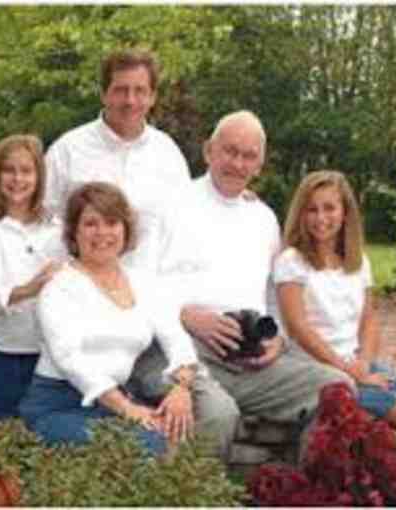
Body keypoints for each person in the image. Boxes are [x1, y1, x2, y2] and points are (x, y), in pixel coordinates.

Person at [137, 110, 353, 461]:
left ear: (259, 166)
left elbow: (273, 296)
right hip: (178, 351)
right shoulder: (169, 206)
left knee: (337, 389)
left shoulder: (262, 218)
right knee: (218, 414)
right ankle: (191, 490)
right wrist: (186, 316)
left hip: (248, 358)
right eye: (230, 151)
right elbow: (136, 284)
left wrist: (276, 338)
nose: (238, 164)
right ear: (209, 151)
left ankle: (303, 485)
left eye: (248, 156)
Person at [19, 182, 201, 456]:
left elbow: (176, 340)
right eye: (91, 224)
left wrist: (181, 388)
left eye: (112, 222)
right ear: (74, 232)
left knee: (174, 433)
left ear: (125, 229)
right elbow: (69, 359)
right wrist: (128, 409)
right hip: (59, 405)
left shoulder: (144, 283)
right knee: (147, 444)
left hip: (113, 403)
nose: (102, 232)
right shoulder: (60, 287)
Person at [274, 169, 396, 427]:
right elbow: (298, 329)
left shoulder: (358, 262)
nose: (320, 218)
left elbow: (369, 319)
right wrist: (348, 370)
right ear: (301, 214)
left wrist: (364, 364)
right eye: (311, 209)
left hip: (356, 363)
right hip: (317, 369)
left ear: (345, 212)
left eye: (329, 208)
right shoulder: (292, 261)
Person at [43, 49, 191, 270]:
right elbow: (38, 221)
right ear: (104, 94)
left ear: (152, 97)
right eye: (121, 90)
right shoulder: (67, 150)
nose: (130, 101)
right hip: (81, 283)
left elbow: (184, 225)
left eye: (140, 91)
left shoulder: (168, 155)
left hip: (150, 284)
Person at [0, 134, 66, 420]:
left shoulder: (58, 229)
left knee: (44, 435)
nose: (17, 179)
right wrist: (30, 289)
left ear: (39, 177)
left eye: (26, 171)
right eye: (9, 170)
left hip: (48, 353)